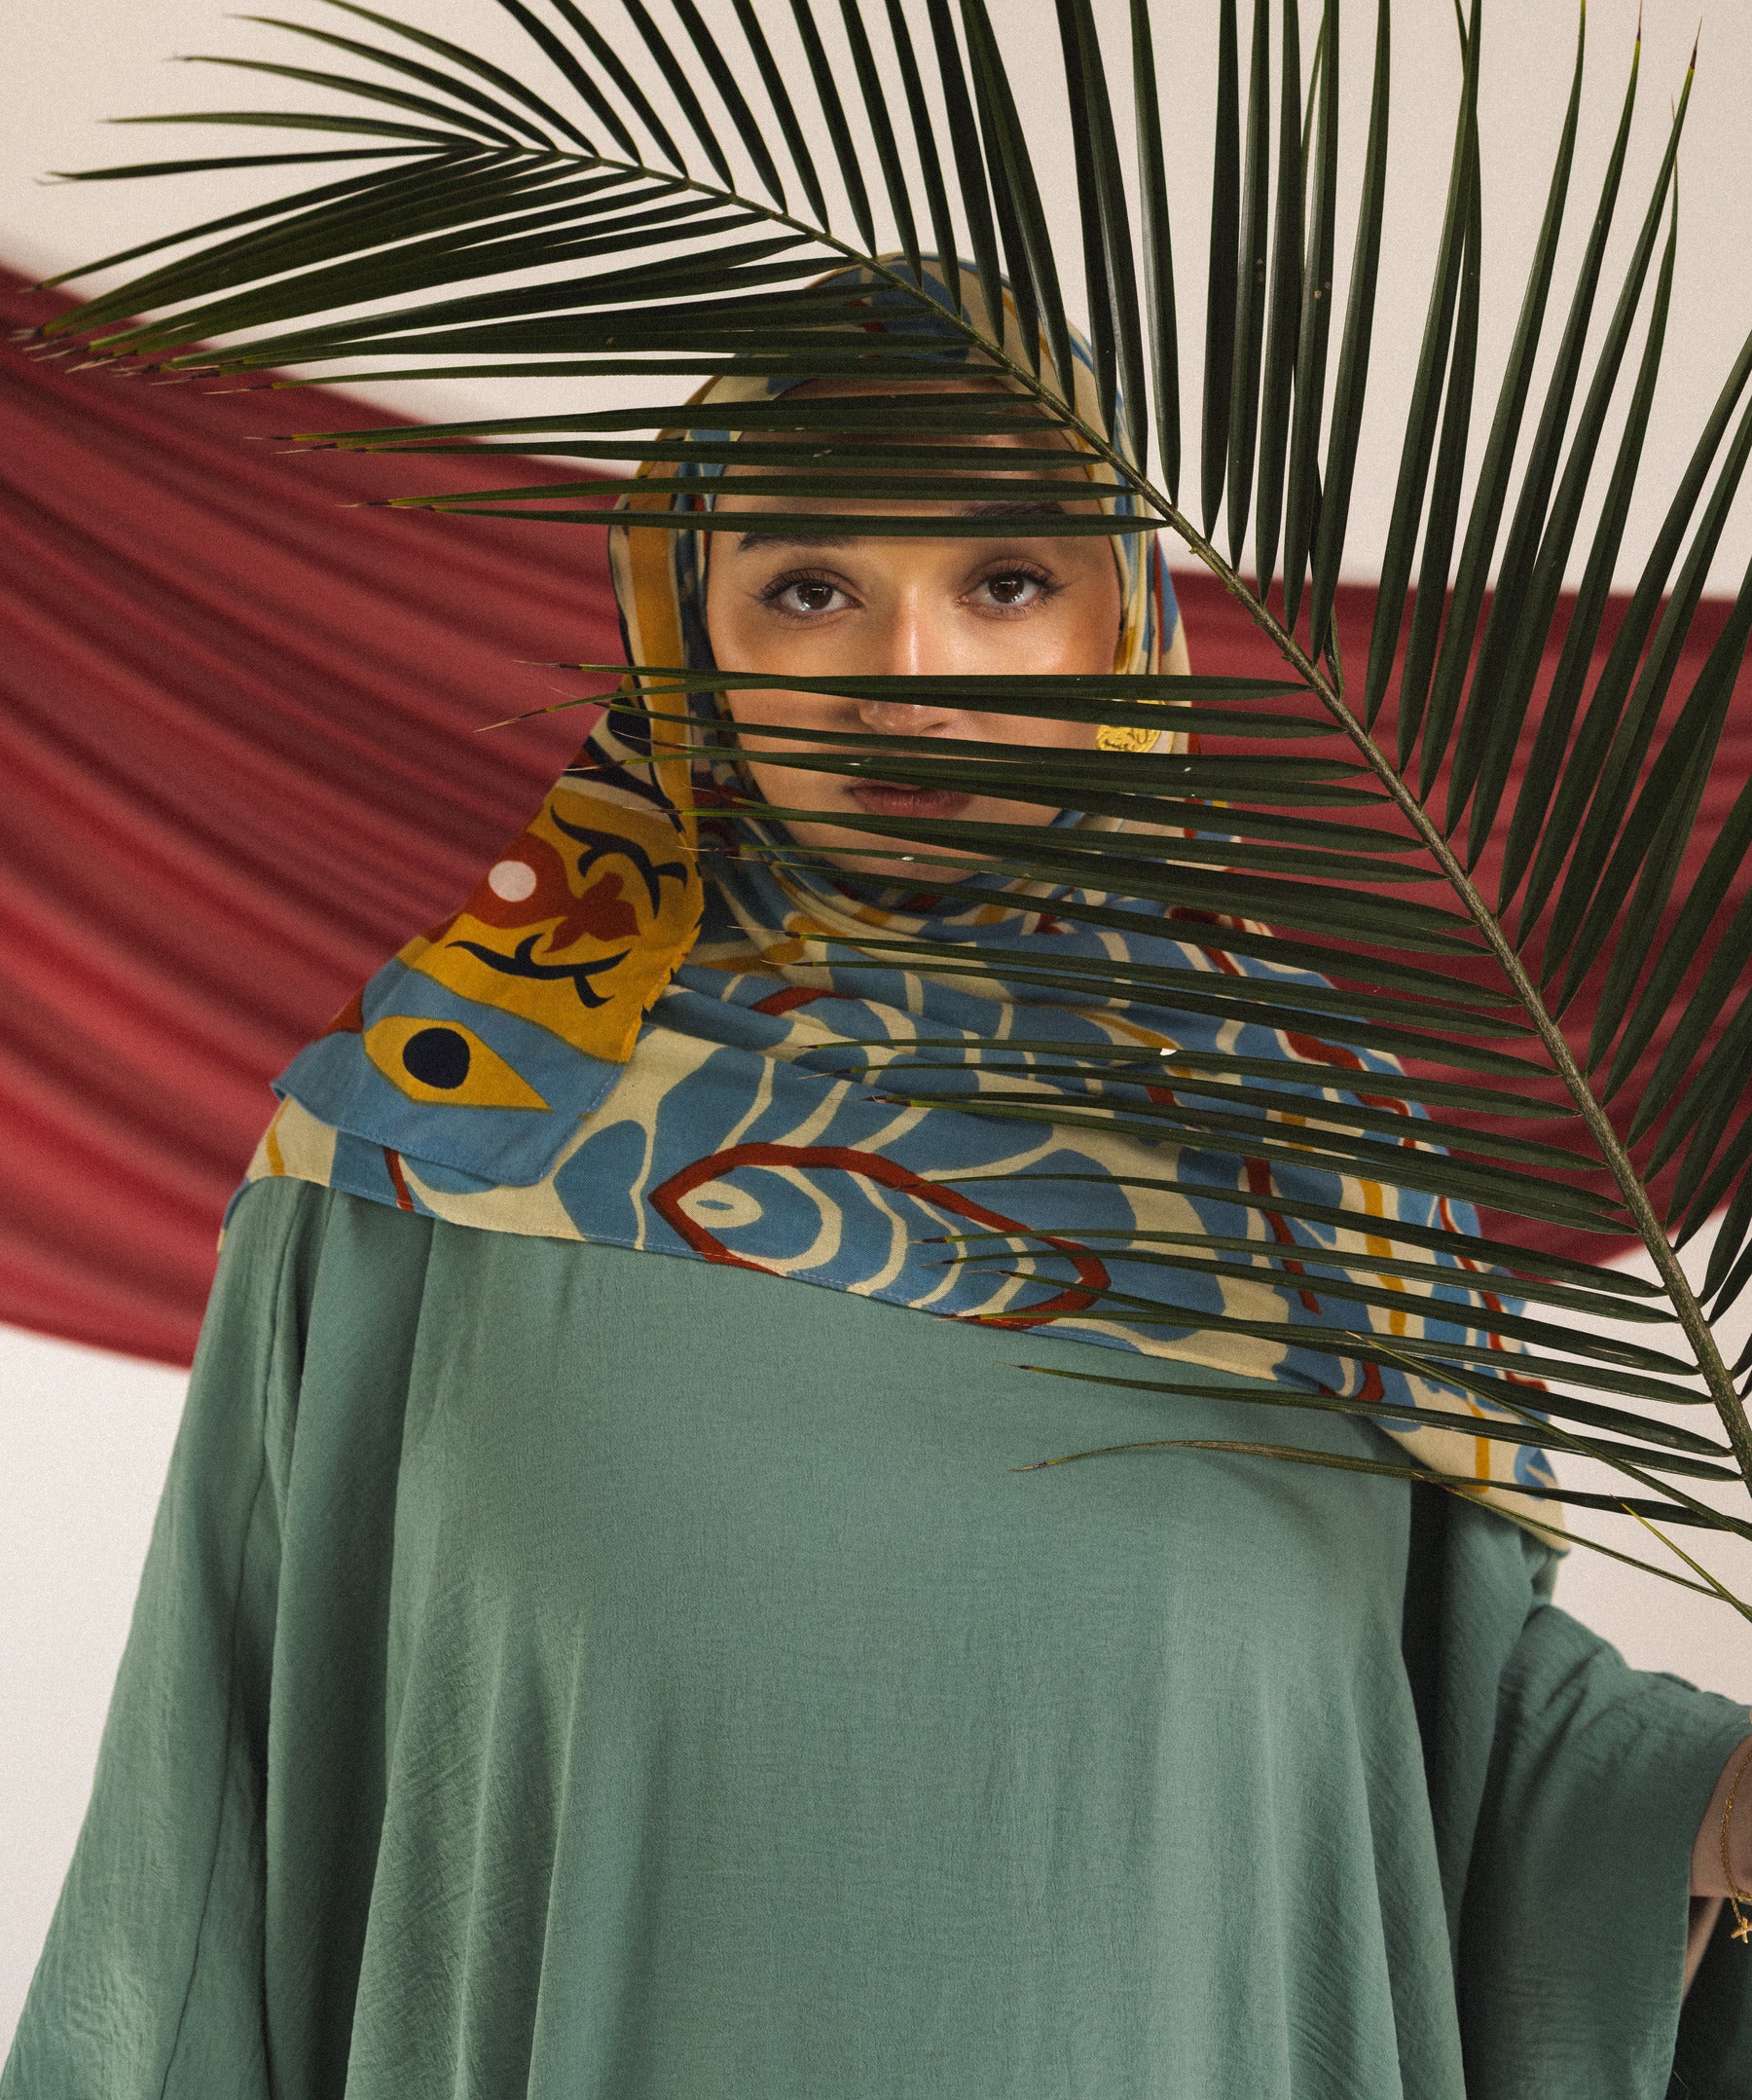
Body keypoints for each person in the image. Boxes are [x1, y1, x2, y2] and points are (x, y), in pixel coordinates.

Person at [7, 282, 1752, 2099]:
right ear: (686, 638)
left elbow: (1449, 1756)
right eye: (809, 588)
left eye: (1005, 580)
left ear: (1125, 619)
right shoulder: (443, 1133)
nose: (907, 675)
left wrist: (1704, 1806)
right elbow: (203, 1825)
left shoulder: (1317, 1166)